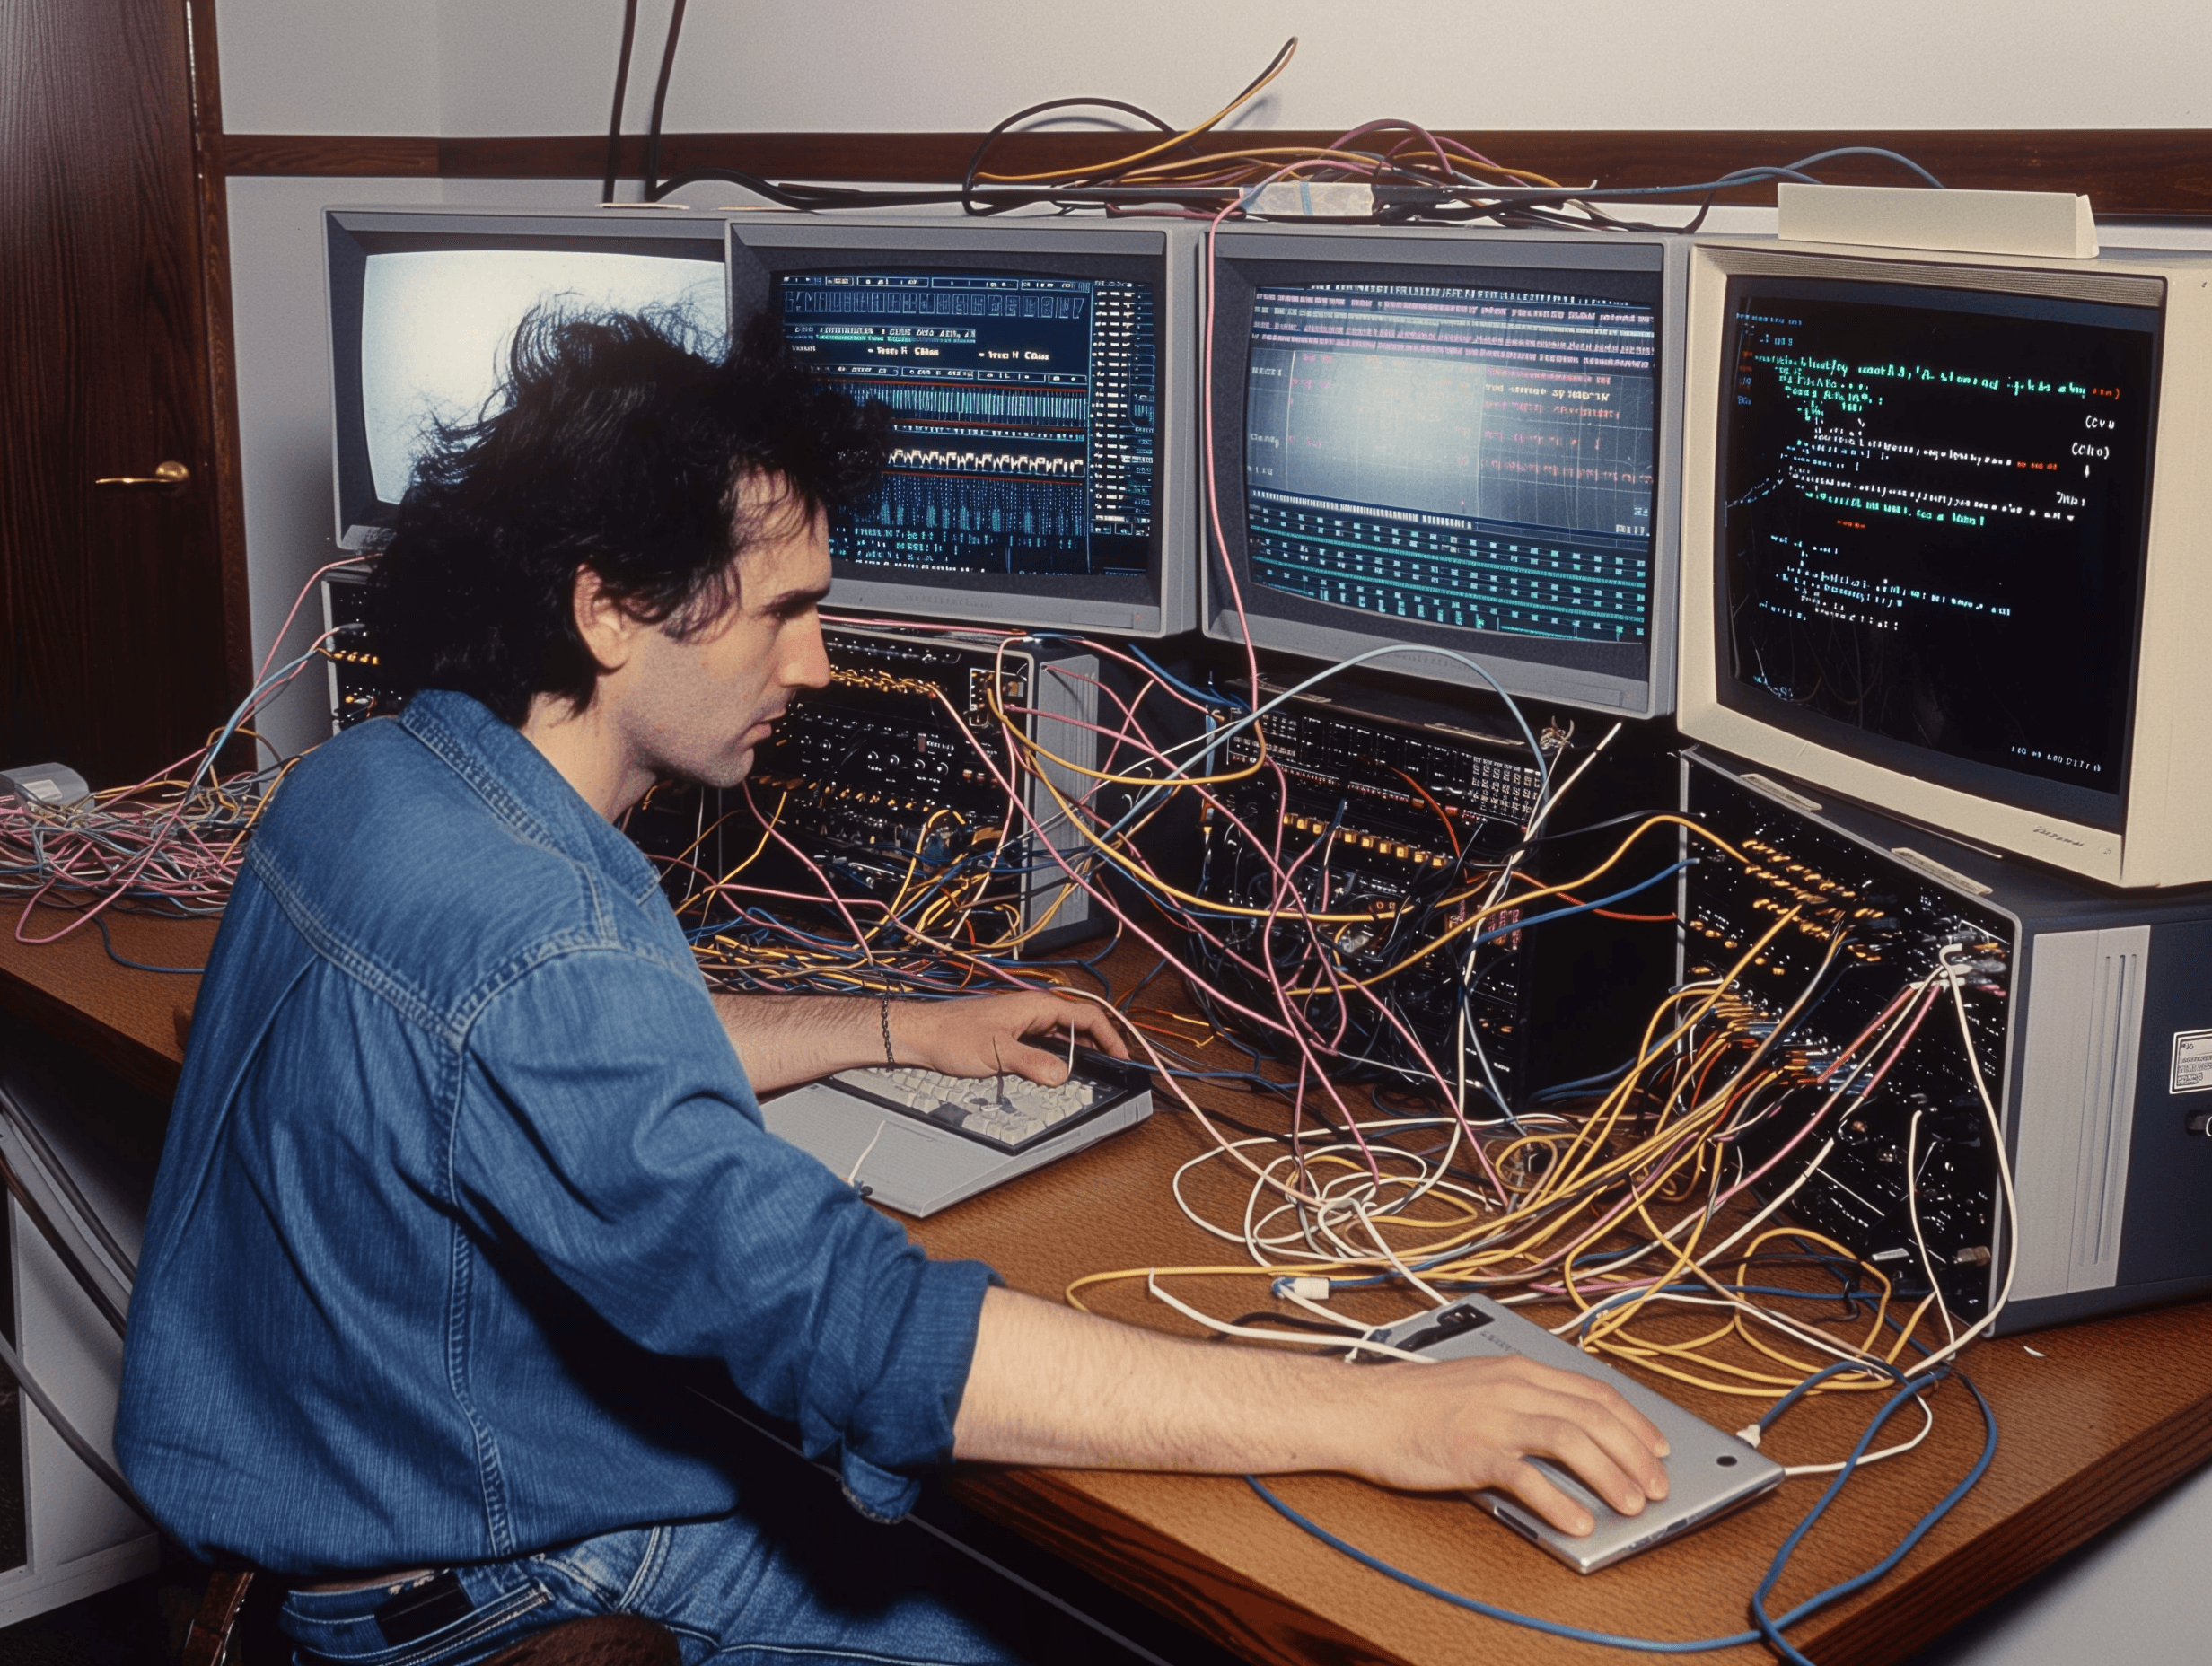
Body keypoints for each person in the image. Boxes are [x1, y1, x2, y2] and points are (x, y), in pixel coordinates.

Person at [116, 310, 1668, 1666]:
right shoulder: (552, 941)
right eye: (784, 611)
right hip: (502, 1592)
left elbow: (527, 1068)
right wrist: (1385, 1414)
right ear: (607, 610)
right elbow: (864, 1334)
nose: (819, 668)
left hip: (309, 1531)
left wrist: (895, 1027)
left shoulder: (372, 785)